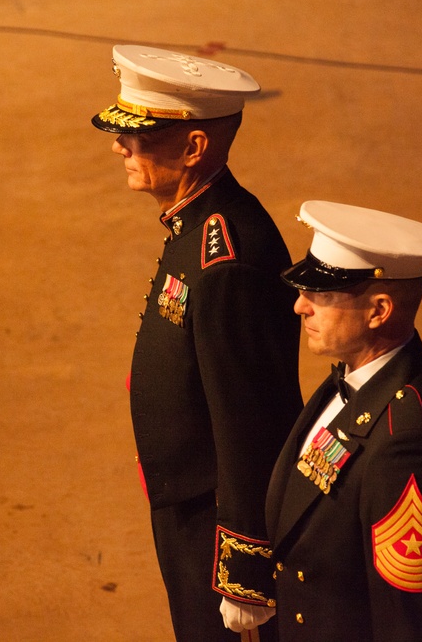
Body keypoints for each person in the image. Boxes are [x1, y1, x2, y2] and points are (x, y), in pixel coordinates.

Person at [91, 45, 303, 641]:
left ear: (194, 147)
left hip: (214, 525)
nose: (119, 147)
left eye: (139, 137)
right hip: (186, 506)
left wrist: (245, 569)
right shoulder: (194, 222)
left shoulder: (226, 257)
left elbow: (252, 420)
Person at [265, 201, 422, 641]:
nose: (300, 306)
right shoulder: (353, 377)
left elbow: (415, 620)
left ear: (379, 311)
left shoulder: (409, 443)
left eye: (320, 295)